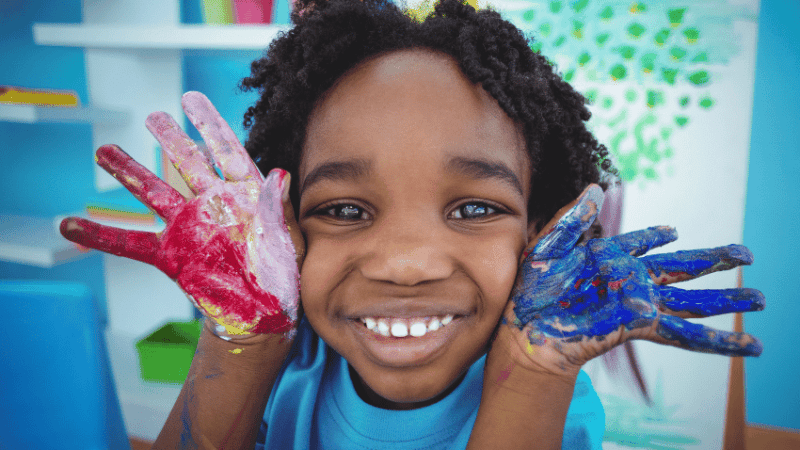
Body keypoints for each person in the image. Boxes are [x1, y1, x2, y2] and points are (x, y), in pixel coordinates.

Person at [59, 0, 765, 448]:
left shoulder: (554, 392)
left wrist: (532, 371)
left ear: (542, 232)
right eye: (343, 210)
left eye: (474, 209)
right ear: (288, 234)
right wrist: (239, 344)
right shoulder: (291, 364)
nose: (405, 263)